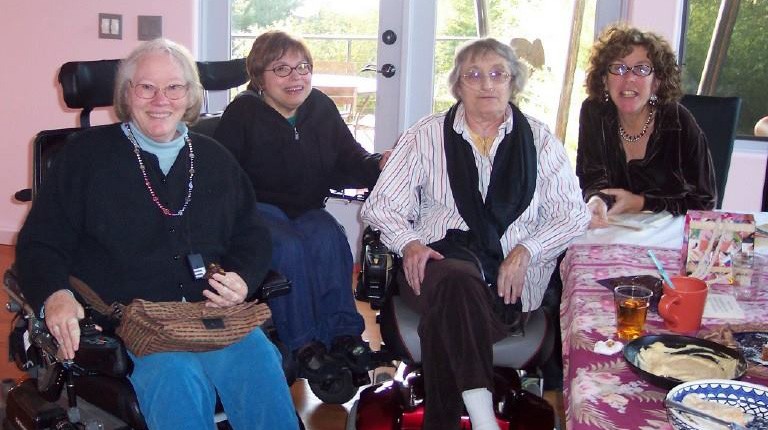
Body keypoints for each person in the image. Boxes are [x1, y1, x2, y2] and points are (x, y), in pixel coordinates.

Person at [16, 38, 299, 430]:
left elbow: (251, 235)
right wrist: (55, 294)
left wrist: (242, 278)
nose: (160, 100)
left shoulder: (215, 159)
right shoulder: (84, 157)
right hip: (131, 318)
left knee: (260, 361)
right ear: (127, 93)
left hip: (210, 314)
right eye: (146, 87)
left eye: (174, 87)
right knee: (178, 377)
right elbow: (40, 241)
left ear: (190, 95)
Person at [360, 38, 589, 430]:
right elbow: (380, 207)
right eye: (474, 74)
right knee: (455, 277)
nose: (487, 84)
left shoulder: (540, 141)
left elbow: (573, 215)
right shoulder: (426, 135)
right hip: (434, 272)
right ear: (458, 85)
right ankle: (484, 419)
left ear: (513, 82)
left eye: (498, 74)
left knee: (452, 307)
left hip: (511, 288)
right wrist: (408, 243)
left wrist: (526, 250)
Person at [214, 30, 388, 379]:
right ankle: (303, 343)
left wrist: (378, 165)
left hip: (306, 208)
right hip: (256, 210)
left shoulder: (320, 107)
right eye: (282, 69)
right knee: (289, 248)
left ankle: (344, 334)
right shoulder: (242, 113)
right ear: (259, 77)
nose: (296, 77)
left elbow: (348, 156)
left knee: (330, 238)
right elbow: (221, 178)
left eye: (303, 67)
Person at [577, 25, 716, 229]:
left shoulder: (678, 121)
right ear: (604, 79)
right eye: (618, 68)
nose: (629, 78)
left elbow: (704, 202)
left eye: (642, 69)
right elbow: (592, 178)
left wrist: (642, 203)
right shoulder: (594, 112)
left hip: (670, 234)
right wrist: (597, 200)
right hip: (613, 229)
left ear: (656, 82)